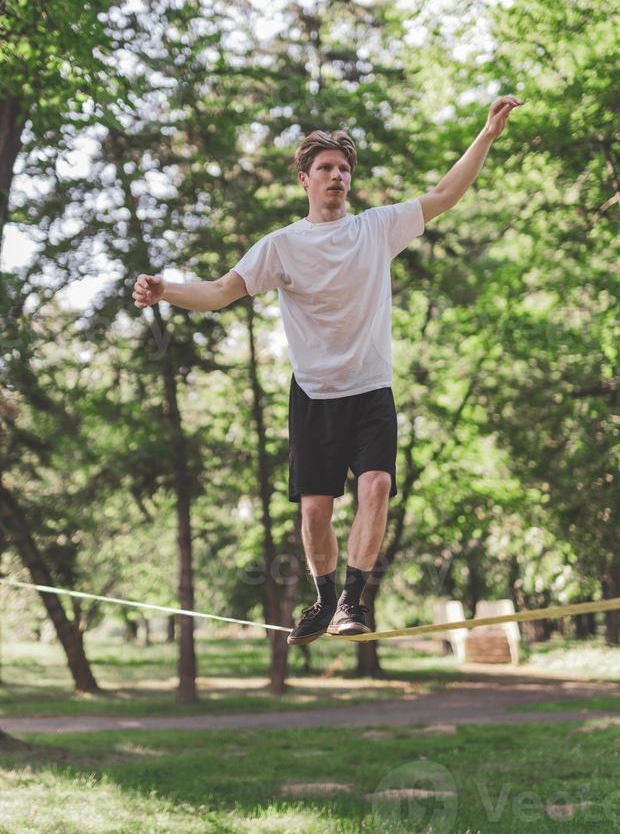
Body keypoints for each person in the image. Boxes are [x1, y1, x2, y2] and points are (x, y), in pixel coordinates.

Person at [133, 96, 523, 645]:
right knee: (316, 513)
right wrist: (165, 288)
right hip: (314, 395)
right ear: (304, 179)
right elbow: (220, 292)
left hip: (371, 390)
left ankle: (352, 600)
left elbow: (444, 194)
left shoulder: (377, 229)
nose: (336, 175)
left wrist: (486, 135)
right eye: (325, 168)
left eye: (343, 168)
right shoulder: (281, 247)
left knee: (378, 486)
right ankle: (322, 601)